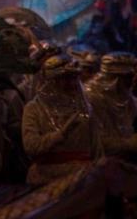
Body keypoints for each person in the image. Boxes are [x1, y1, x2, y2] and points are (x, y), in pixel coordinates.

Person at [21, 55, 101, 183]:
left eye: (74, 78)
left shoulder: (84, 107)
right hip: (46, 179)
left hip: (81, 177)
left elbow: (96, 148)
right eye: (66, 79)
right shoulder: (34, 108)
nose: (72, 84)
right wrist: (61, 135)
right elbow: (31, 146)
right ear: (51, 81)